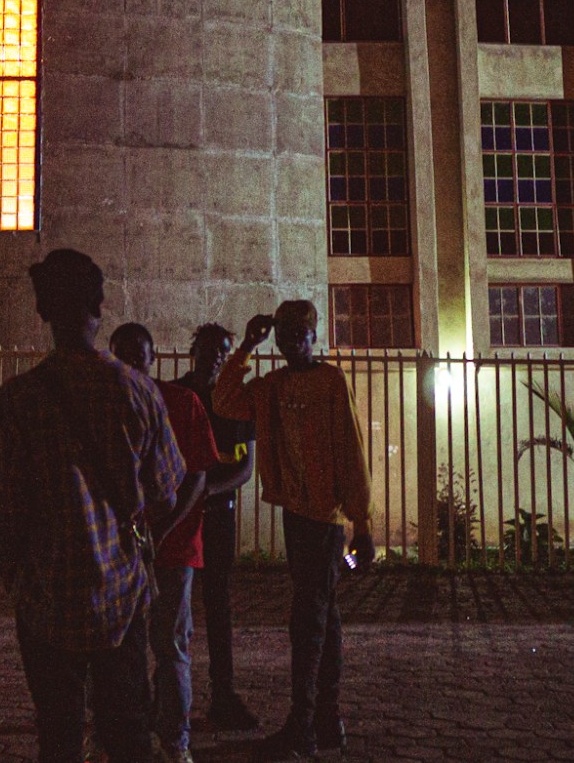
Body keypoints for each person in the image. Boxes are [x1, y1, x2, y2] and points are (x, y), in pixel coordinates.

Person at [0, 250, 188, 763]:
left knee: (58, 735)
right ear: (100, 305)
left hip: (47, 596)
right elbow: (166, 492)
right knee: (128, 733)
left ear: (42, 310)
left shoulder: (17, 400)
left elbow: (0, 506)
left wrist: (19, 576)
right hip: (119, 594)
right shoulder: (137, 392)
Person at [213, 300, 374, 760]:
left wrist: (361, 522)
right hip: (296, 514)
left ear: (313, 335)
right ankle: (325, 721)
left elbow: (351, 448)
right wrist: (246, 345)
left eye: (298, 335)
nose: (290, 344)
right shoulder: (273, 386)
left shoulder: (329, 382)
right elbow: (225, 401)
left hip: (323, 520)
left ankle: (305, 726)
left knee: (310, 620)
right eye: (283, 336)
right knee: (322, 617)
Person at [107, 324, 242, 763]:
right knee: (156, 646)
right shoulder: (157, 402)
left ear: (152, 358)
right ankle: (160, 740)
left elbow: (201, 475)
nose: (130, 364)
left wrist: (160, 529)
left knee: (161, 645)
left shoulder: (182, 403)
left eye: (136, 356)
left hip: (165, 544)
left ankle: (170, 739)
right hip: (150, 544)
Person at [171, 323, 260, 730]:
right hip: (180, 517)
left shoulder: (231, 402)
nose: (216, 357)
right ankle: (169, 694)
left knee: (217, 607)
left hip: (215, 514)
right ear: (195, 351)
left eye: (223, 351)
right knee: (174, 606)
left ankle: (221, 694)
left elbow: (243, 468)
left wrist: (201, 492)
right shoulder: (177, 394)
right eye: (209, 350)